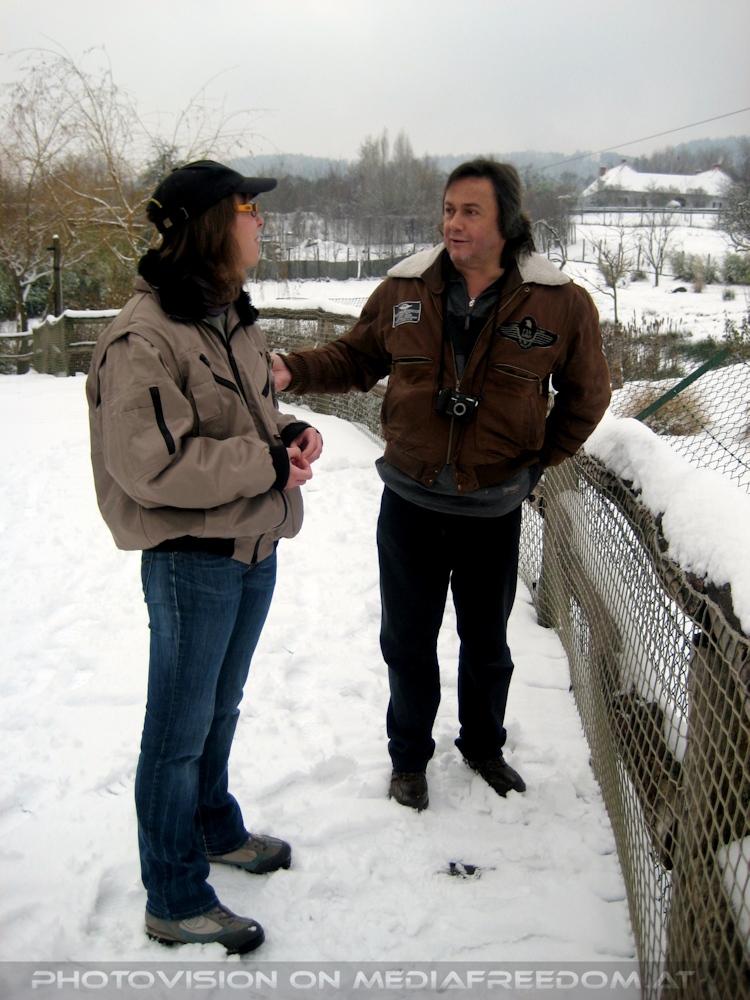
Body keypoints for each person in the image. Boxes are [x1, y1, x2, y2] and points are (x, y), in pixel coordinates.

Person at [272, 158, 610, 811]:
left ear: (506, 222)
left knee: (487, 645)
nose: (453, 223)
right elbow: (356, 357)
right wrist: (292, 369)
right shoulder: (407, 287)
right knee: (407, 642)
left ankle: (484, 747)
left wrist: (536, 462)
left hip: (493, 509)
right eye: (449, 210)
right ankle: (408, 758)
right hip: (410, 502)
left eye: (470, 211)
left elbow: (587, 395)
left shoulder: (560, 303)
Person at [86, 160, 323, 953]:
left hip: (252, 545)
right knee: (177, 733)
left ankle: (214, 825)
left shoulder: (231, 317)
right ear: (212, 224)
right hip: (193, 560)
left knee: (220, 707)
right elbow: (149, 465)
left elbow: (245, 417)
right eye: (250, 206)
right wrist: (265, 464)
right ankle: (175, 896)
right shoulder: (144, 336)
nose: (261, 221)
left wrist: (288, 433)